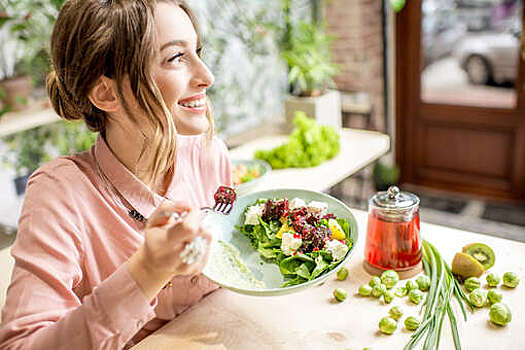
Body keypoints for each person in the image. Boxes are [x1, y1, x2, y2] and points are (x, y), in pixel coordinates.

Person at [0, 0, 232, 349]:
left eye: (196, 51)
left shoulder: (209, 154)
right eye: (176, 58)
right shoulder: (60, 194)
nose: (206, 76)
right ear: (106, 92)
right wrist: (147, 272)